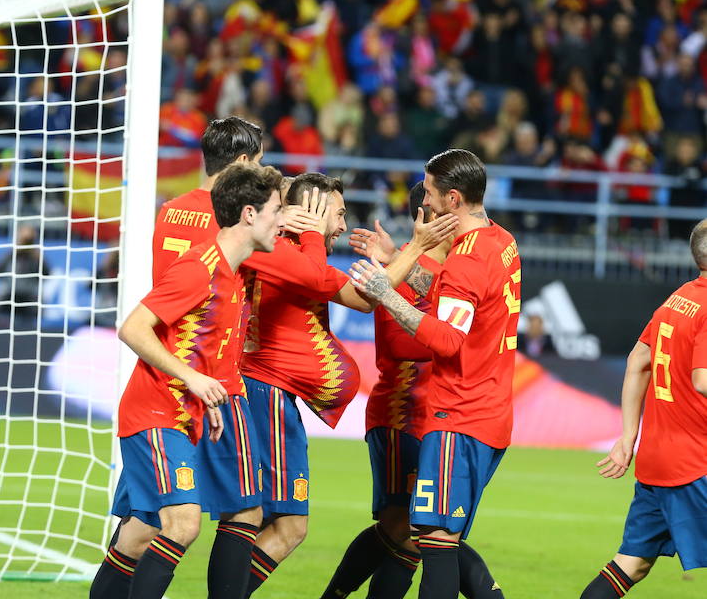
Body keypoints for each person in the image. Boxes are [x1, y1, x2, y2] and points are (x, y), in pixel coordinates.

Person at [241, 173, 457, 598]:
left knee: (256, 521)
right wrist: (413, 248)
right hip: (278, 394)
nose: (342, 225)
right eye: (338, 214)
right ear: (315, 212)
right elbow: (366, 301)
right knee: (283, 526)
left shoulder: (289, 253)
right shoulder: (289, 256)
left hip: (274, 395)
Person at [88, 163, 285, 599]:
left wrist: (209, 398)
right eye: (276, 210)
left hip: (186, 414)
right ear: (249, 214)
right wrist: (193, 379)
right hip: (155, 411)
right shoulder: (199, 268)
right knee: (184, 523)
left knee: (140, 534)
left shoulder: (233, 276)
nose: (282, 220)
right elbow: (133, 328)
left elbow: (199, 348)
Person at [350, 148, 519, 599]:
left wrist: (387, 292)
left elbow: (446, 339)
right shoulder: (500, 241)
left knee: (437, 541)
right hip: (488, 408)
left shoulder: (466, 259)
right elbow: (462, 304)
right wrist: (399, 271)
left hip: (458, 415)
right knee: (429, 535)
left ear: (454, 199)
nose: (422, 200)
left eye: (428, 192)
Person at [578, 220, 707, 598]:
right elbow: (702, 379)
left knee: (631, 563)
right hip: (695, 464)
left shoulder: (677, 298)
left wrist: (628, 437)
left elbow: (638, 360)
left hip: (657, 460)